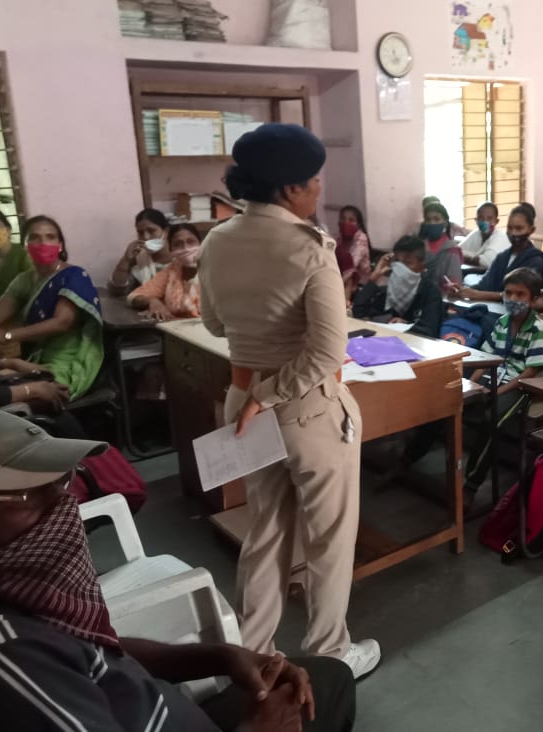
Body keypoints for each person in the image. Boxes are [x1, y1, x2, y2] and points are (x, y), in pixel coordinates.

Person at [0, 409, 356, 731]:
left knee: (328, 677)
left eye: (62, 483)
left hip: (155, 706)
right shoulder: (6, 662)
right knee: (326, 690)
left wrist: (224, 656)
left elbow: (95, 652)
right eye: (28, 496)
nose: (65, 507)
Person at [197, 123, 379, 679]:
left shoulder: (217, 240)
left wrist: (256, 392)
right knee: (328, 537)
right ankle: (329, 654)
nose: (319, 190)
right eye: (314, 180)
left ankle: (254, 656)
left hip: (242, 399)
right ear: (290, 188)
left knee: (266, 530)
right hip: (308, 409)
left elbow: (214, 323)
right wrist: (272, 393)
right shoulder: (310, 248)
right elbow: (326, 352)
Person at [0, 216, 103, 400]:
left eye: (50, 237)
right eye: (34, 237)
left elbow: (62, 322)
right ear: (25, 245)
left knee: (4, 396)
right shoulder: (24, 280)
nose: (43, 243)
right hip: (35, 359)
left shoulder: (73, 276)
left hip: (66, 360)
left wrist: (6, 336)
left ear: (60, 245)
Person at [463, 268, 543, 508]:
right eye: (508, 293)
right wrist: (472, 384)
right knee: (455, 400)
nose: (512, 299)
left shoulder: (537, 328)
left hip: (520, 385)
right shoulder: (501, 322)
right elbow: (485, 358)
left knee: (494, 419)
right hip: (494, 376)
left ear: (533, 299)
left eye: (520, 294)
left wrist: (498, 392)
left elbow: (530, 372)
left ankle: (471, 484)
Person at [450, 204, 543, 302]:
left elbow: (518, 295)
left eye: (519, 228)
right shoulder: (502, 257)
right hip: (491, 307)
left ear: (531, 230)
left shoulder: (536, 260)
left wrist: (477, 294)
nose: (513, 233)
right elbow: (484, 285)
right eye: (509, 228)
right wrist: (461, 290)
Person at [352, 236, 442, 338]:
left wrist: (406, 325)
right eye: (397, 262)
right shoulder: (388, 290)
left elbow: (430, 330)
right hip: (383, 340)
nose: (400, 268)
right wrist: (374, 278)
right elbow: (358, 312)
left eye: (407, 263)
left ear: (421, 267)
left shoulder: (430, 291)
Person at [129, 223, 203, 321]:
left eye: (191, 241)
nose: (186, 248)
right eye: (177, 244)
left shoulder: (215, 269)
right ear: (171, 249)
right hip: (174, 327)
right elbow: (133, 296)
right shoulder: (172, 271)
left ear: (201, 244)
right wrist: (152, 301)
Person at [109, 208, 171, 295]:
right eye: (140, 232)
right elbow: (117, 291)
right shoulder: (139, 259)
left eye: (151, 231)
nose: (145, 237)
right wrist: (126, 260)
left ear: (166, 231)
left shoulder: (181, 257)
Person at [460, 201, 509, 269]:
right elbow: (457, 250)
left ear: (496, 221)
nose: (485, 221)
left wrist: (460, 256)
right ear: (476, 220)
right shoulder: (477, 233)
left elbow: (486, 262)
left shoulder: (501, 237)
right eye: (481, 218)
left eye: (489, 218)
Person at [335, 205, 372, 293]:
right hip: (341, 279)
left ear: (358, 224)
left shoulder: (361, 238)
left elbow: (351, 263)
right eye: (343, 219)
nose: (346, 222)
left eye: (351, 220)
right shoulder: (339, 237)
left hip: (360, 284)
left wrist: (335, 285)